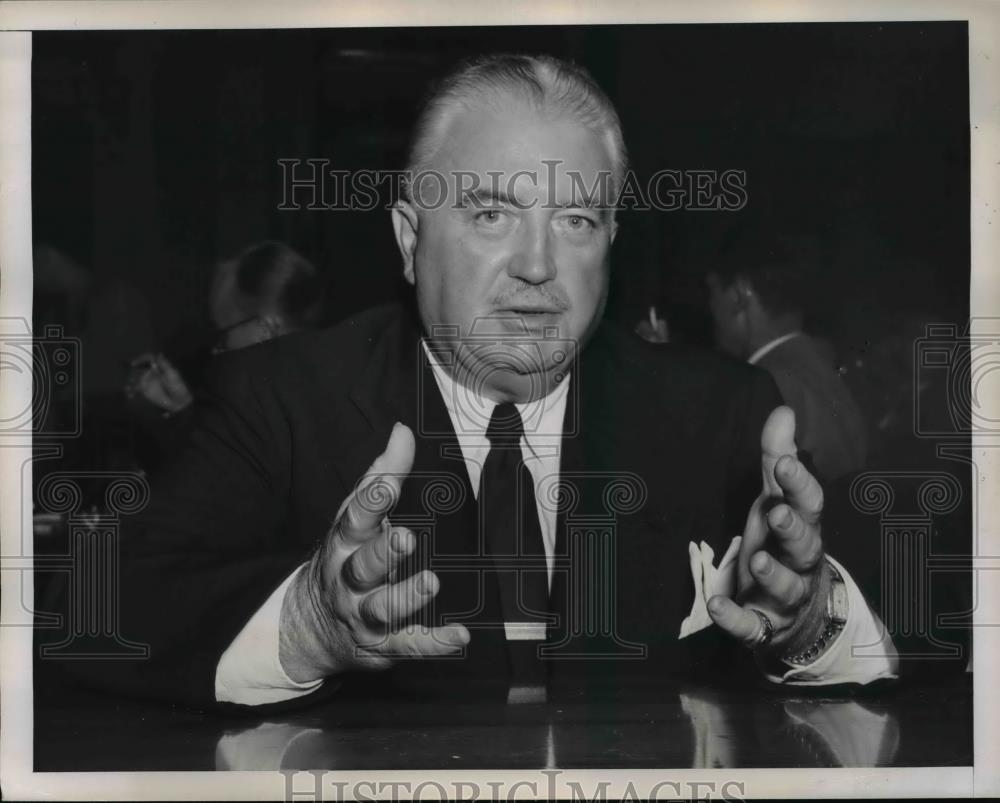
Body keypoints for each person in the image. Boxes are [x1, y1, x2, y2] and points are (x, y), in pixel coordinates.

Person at [44, 54, 965, 715]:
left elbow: (941, 602)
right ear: (410, 239)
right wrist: (309, 625)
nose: (537, 265)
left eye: (574, 219)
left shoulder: (723, 413)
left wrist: (811, 620)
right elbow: (112, 604)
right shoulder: (281, 398)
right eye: (491, 212)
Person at [705, 233, 868, 482]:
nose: (710, 308)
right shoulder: (825, 365)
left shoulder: (760, 386)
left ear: (739, 293)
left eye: (712, 292)